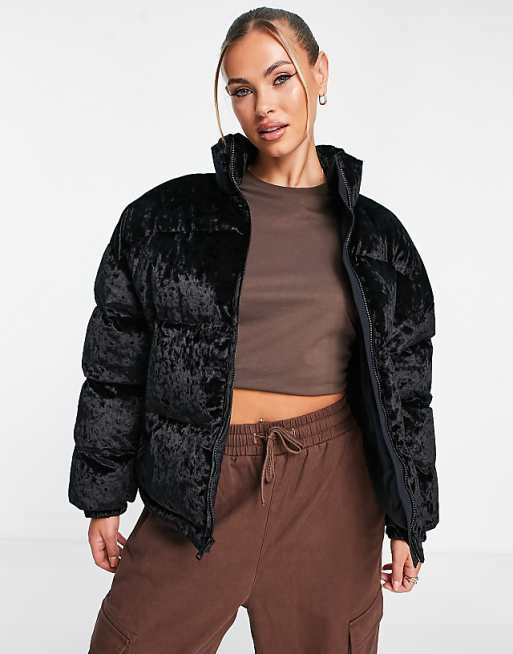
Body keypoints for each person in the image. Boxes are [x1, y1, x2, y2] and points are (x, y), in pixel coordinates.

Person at [69, 7, 439, 654]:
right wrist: (103, 495)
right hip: (198, 487)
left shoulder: (379, 241)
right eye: (241, 90)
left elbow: (405, 390)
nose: (263, 106)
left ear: (319, 74)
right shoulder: (164, 222)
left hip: (331, 490)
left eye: (280, 78)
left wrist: (408, 519)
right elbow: (115, 367)